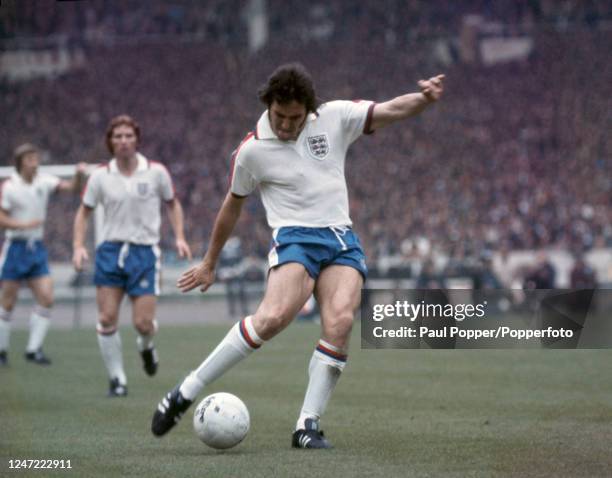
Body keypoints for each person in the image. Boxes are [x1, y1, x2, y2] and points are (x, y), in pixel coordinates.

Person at [151, 63, 444, 447]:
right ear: (268, 105)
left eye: (295, 117)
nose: (287, 125)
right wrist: (210, 261)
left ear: (310, 109)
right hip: (295, 237)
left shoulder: (334, 117)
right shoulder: (252, 150)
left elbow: (390, 109)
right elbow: (232, 206)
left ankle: (307, 425)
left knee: (340, 323)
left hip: (340, 237)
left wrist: (423, 99)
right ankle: (186, 390)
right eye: (280, 116)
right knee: (271, 318)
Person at [72, 115, 192, 397]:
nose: (123, 141)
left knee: (143, 324)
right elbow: (84, 212)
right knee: (106, 318)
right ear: (110, 142)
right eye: (118, 137)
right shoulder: (100, 176)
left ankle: (146, 347)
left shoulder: (156, 172)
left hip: (145, 253)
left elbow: (172, 204)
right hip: (110, 251)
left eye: (128, 136)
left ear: (136, 139)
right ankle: (118, 380)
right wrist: (78, 245)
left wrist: (179, 237)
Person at [0, 143, 86, 366]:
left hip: (36, 248)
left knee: (47, 298)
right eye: (30, 158)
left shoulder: (44, 181)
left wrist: (79, 175)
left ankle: (33, 349)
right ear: (20, 163)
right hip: (15, 247)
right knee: (7, 301)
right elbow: (1, 218)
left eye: (36, 157)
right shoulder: (10, 186)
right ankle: (1, 350)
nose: (35, 162)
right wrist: (24, 224)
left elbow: (72, 188)